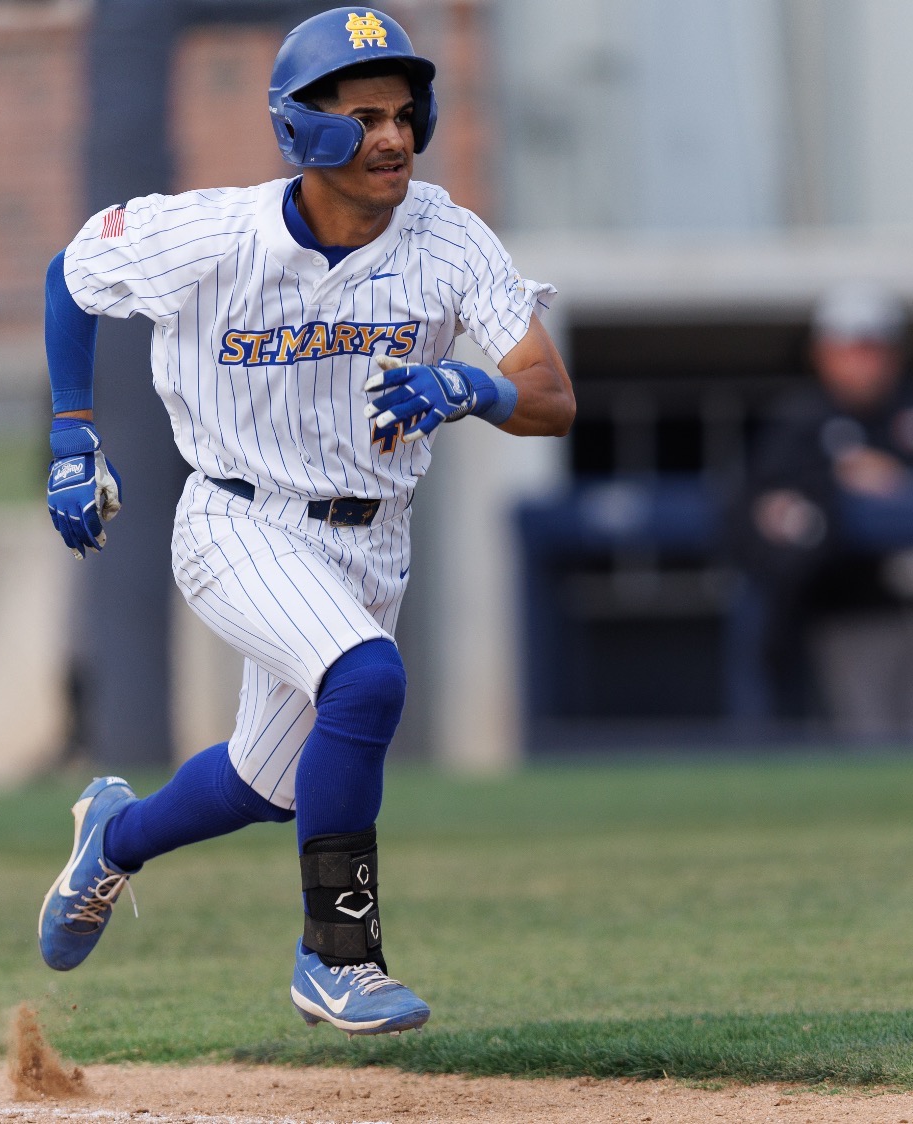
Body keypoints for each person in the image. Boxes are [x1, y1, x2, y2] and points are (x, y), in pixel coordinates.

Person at [33, 8, 574, 1036]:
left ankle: (112, 837)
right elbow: (72, 272)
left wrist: (469, 384)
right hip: (236, 517)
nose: (393, 137)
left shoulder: (448, 238)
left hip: (370, 539)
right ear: (300, 129)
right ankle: (338, 951)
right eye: (363, 115)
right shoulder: (215, 234)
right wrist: (72, 434)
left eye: (405, 112)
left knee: (263, 781)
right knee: (365, 679)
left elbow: (549, 397)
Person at [735, 283, 913, 742]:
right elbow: (762, 504)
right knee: (869, 742)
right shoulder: (798, 420)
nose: (864, 362)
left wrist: (902, 484)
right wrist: (831, 484)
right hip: (846, 608)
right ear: (823, 354)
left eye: (874, 349)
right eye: (850, 349)